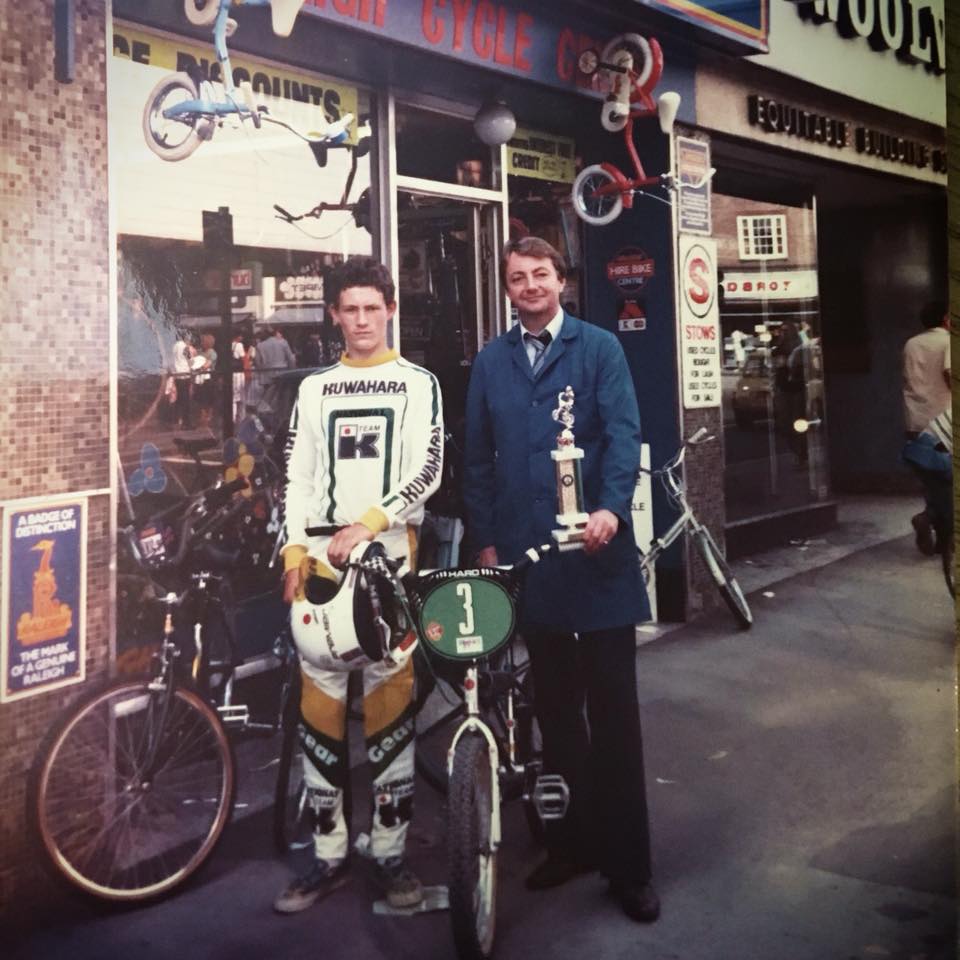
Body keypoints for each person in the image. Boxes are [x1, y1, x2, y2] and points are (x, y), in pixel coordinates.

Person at [463, 236, 659, 923]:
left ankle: (630, 866)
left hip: (597, 559)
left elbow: (624, 431)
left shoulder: (599, 348)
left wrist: (609, 507)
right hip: (530, 563)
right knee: (554, 717)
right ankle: (570, 844)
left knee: (613, 716)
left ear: (561, 280)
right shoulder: (491, 361)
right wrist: (486, 541)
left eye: (539, 275)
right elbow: (477, 460)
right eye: (517, 278)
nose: (529, 286)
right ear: (509, 289)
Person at [273, 257, 444, 915]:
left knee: (388, 711)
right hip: (318, 565)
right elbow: (298, 476)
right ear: (335, 315)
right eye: (352, 308)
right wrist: (293, 548)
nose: (363, 319)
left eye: (374, 307)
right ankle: (327, 854)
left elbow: (427, 470)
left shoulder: (417, 383)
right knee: (319, 711)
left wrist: (370, 523)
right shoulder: (316, 389)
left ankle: (391, 852)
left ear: (390, 310)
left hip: (388, 563)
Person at [902, 301, 950, 554]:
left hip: (916, 421)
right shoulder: (948, 342)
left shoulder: (912, 343)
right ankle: (929, 519)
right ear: (946, 318)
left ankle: (942, 540)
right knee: (948, 483)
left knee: (933, 482)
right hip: (944, 422)